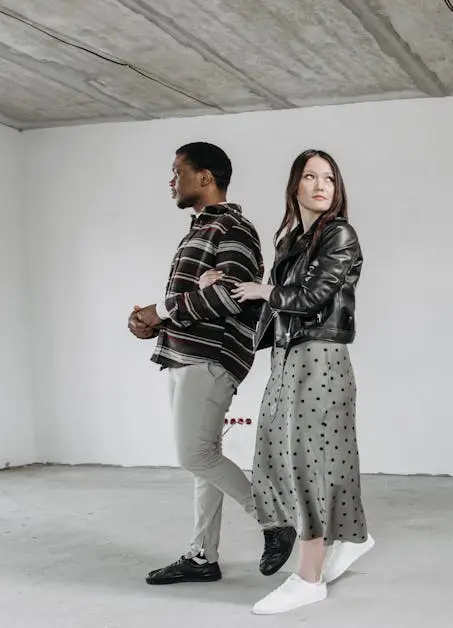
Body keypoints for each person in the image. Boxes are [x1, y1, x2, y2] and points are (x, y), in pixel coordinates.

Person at [199, 149, 373, 614]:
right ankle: (351, 537)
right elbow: (275, 310)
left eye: (329, 178)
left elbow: (314, 296)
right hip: (289, 357)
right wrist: (229, 287)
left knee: (307, 463)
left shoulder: (338, 234)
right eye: (311, 176)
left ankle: (310, 577)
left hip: (320, 357)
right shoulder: (291, 241)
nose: (321, 185)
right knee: (282, 457)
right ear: (295, 184)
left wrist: (266, 290)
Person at [127, 141, 296, 585]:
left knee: (196, 455)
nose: (171, 181)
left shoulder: (233, 228)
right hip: (186, 354)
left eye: (177, 171)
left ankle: (274, 519)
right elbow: (199, 301)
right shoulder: (200, 230)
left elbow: (229, 296)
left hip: (211, 358)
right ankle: (202, 557)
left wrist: (162, 309)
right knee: (206, 458)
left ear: (204, 177)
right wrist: (154, 324)